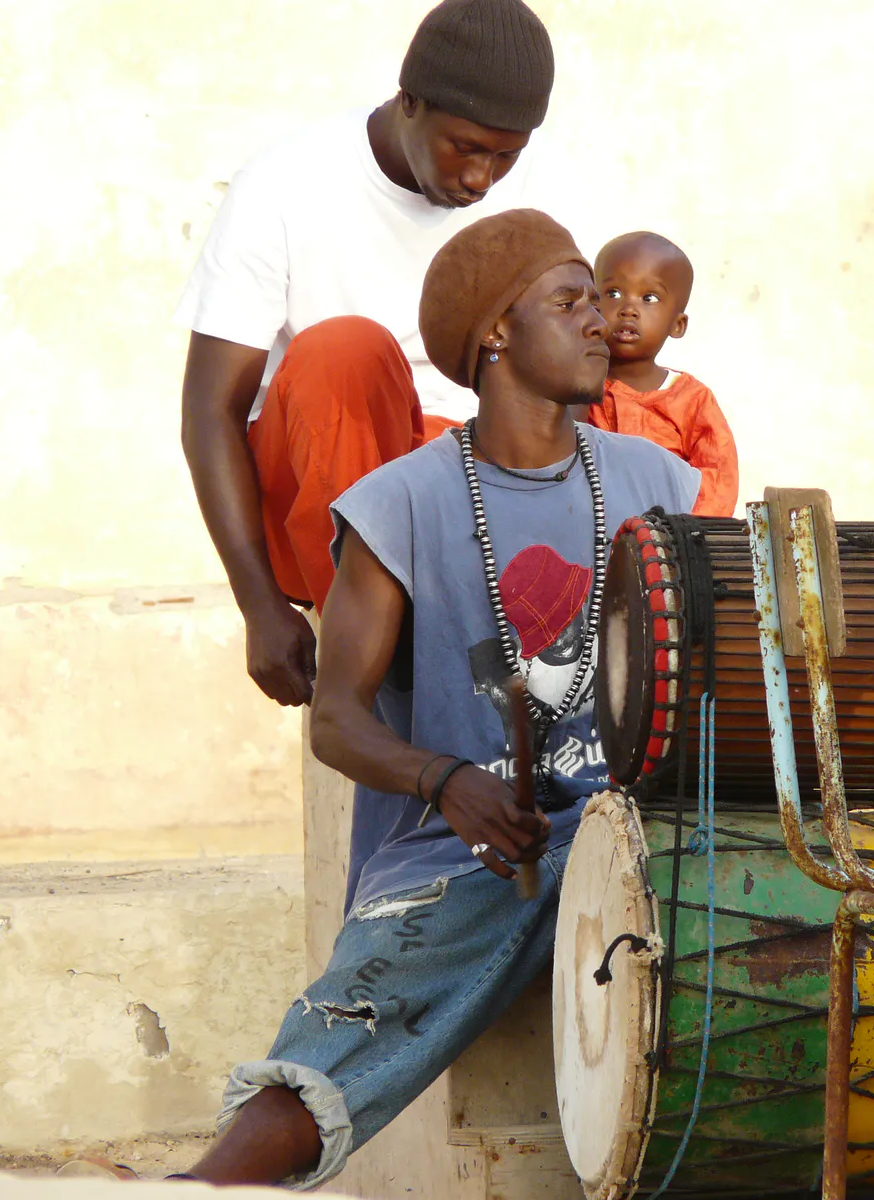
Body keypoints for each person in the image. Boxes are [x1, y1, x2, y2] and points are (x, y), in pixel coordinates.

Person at [170, 209, 699, 1189]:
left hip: (630, 837)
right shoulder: (399, 501)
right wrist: (447, 779)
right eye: (570, 300)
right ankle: (208, 1188)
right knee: (358, 1008)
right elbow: (336, 719)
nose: (600, 323)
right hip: (462, 852)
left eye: (598, 302)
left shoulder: (657, 479)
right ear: (495, 333)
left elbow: (705, 671)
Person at [177, 0, 556, 707]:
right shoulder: (285, 184)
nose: (481, 179)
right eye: (466, 148)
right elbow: (209, 410)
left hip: (464, 478)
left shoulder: (538, 186)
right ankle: (372, 663)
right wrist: (258, 606)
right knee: (344, 352)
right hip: (318, 493)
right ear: (408, 101)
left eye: (505, 156)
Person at [582, 231, 739, 516]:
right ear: (593, 304)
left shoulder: (692, 400)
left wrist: (685, 538)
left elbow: (717, 480)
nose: (628, 309)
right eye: (613, 293)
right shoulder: (578, 385)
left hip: (668, 546)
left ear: (677, 325)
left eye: (649, 298)